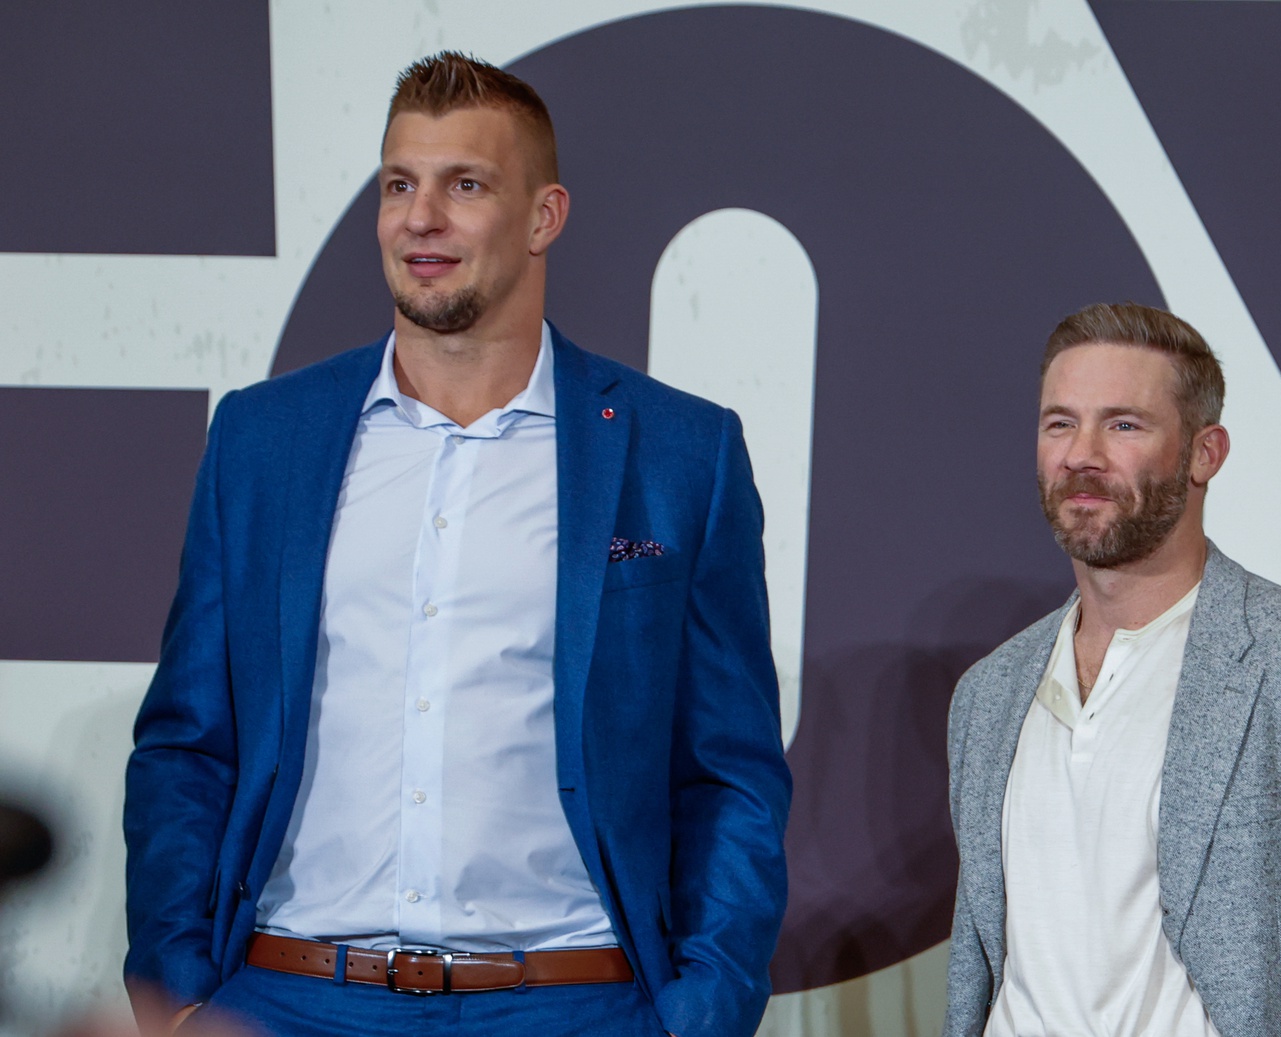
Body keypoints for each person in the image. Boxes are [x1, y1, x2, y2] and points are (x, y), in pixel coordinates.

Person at [124, 51, 790, 1037]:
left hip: (573, 1004)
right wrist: (176, 997)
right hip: (288, 995)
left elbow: (729, 771)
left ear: (542, 217)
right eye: (399, 184)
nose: (418, 218)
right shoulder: (262, 440)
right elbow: (188, 743)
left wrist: (698, 1012)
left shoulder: (680, 453)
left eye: (463, 185)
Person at [943, 303, 1281, 1037]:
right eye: (1060, 422)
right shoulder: (987, 696)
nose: (1081, 453)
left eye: (1123, 424)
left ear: (1204, 453)